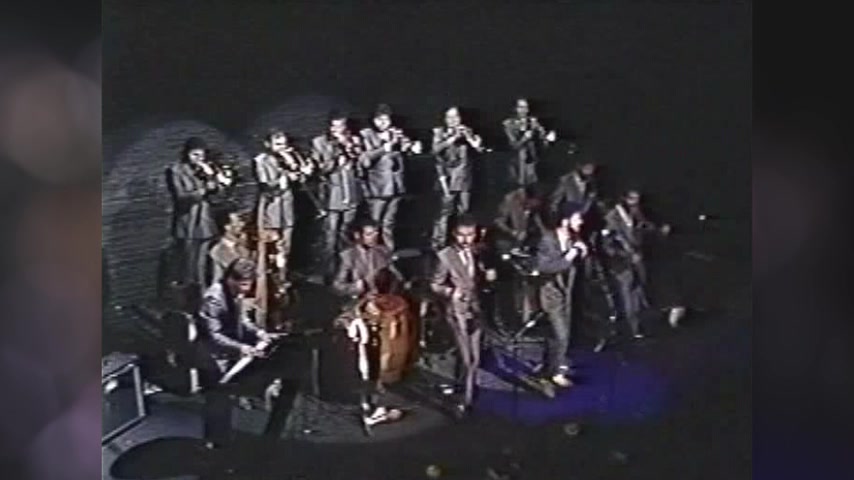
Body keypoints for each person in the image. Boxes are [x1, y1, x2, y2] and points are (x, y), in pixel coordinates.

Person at [195, 258, 296, 448]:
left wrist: (259, 333)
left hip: (227, 354)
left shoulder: (235, 294)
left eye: (248, 284)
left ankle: (222, 439)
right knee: (217, 401)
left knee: (225, 400)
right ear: (230, 279)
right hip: (212, 357)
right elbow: (214, 335)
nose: (246, 289)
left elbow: (242, 321)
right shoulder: (214, 299)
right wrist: (243, 348)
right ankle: (214, 442)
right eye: (242, 284)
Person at [430, 215, 496, 417]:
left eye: (470, 235)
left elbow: (482, 277)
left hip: (475, 308)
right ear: (454, 234)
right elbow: (435, 284)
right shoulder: (445, 256)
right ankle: (464, 401)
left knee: (475, 357)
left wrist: (488, 276)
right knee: (467, 359)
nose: (466, 239)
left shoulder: (478, 252)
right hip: (456, 310)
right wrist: (451, 292)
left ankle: (466, 390)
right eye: (461, 235)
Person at [535, 203, 589, 387]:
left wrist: (582, 251)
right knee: (561, 335)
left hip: (567, 293)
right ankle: (556, 373)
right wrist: (570, 255)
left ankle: (549, 367)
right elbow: (545, 267)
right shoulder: (548, 239)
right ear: (565, 221)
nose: (581, 222)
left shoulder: (574, 238)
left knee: (558, 336)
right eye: (577, 218)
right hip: (551, 294)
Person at [358, 104, 423, 251]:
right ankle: (370, 254)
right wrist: (384, 148)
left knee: (389, 223)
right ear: (373, 120)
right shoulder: (366, 135)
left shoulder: (396, 133)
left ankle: (388, 254)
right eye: (379, 119)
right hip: (378, 188)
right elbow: (365, 161)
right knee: (374, 225)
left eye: (386, 119)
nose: (383, 123)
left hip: (396, 187)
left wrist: (411, 146)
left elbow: (406, 151)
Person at [254, 129, 310, 292]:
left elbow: (300, 178)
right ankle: (269, 282)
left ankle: (283, 278)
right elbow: (266, 186)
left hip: (287, 208)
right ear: (268, 145)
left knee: (286, 246)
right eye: (278, 144)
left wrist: (300, 171)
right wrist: (283, 179)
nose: (282, 148)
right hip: (272, 209)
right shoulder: (262, 160)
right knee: (272, 247)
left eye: (284, 144)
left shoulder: (288, 157)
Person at [165, 137, 218, 295]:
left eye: (201, 155)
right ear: (186, 153)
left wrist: (211, 177)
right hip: (187, 220)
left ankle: (202, 291)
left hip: (204, 219)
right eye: (195, 155)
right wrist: (203, 191)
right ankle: (188, 296)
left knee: (201, 263)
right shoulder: (175, 170)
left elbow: (216, 190)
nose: (198, 159)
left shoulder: (204, 169)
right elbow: (181, 196)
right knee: (188, 263)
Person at [313, 111, 364, 269]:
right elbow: (319, 169)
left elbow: (362, 165)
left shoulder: (353, 139)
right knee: (331, 234)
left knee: (346, 231)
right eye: (335, 126)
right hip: (333, 195)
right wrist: (335, 160)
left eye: (342, 125)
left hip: (351, 192)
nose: (339, 129)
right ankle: (329, 269)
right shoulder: (320, 142)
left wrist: (353, 151)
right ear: (330, 127)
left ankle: (346, 267)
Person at [430, 107, 485, 249]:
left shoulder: (467, 131)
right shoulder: (439, 132)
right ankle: (439, 244)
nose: (452, 120)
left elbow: (479, 149)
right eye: (449, 117)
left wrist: (470, 138)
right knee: (444, 213)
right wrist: (452, 138)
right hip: (447, 178)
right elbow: (435, 150)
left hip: (464, 178)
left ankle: (462, 243)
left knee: (464, 212)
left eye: (455, 117)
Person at [502, 98, 557, 186]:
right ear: (515, 109)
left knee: (534, 186)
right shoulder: (509, 124)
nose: (524, 110)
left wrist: (547, 138)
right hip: (518, 165)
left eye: (526, 107)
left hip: (532, 163)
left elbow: (543, 140)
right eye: (521, 107)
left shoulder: (533, 122)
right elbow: (513, 146)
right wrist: (524, 138)